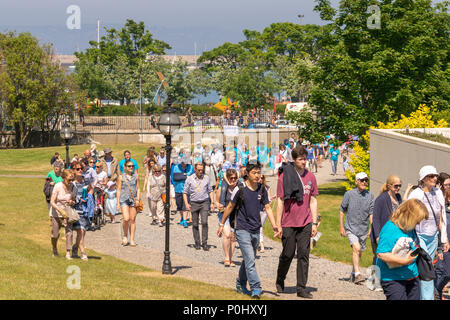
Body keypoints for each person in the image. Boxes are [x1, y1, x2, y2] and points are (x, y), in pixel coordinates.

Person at [217, 161, 280, 299]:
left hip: (256, 229)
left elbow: (268, 207)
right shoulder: (239, 189)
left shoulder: (262, 189)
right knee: (251, 259)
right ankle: (256, 288)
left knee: (248, 259)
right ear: (247, 174)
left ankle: (240, 283)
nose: (258, 175)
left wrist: (275, 225)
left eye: (259, 172)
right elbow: (229, 207)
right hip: (242, 228)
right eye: (254, 173)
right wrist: (222, 224)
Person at [275, 146, 319, 299]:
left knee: (304, 254)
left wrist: (314, 222)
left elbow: (313, 200)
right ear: (294, 160)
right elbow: (280, 201)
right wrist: (278, 224)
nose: (304, 162)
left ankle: (301, 288)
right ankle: (280, 279)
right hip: (288, 221)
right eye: (301, 159)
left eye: (305, 159)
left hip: (305, 221)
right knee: (287, 254)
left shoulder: (311, 177)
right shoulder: (284, 177)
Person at [407, 165, 448, 300]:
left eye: (435, 176)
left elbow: (441, 217)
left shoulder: (438, 192)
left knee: (426, 269)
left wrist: (445, 239)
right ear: (423, 179)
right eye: (431, 176)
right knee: (426, 269)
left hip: (433, 237)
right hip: (419, 236)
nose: (435, 178)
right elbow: (407, 214)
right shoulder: (416, 194)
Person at [376, 199, 429, 300]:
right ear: (409, 215)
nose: (418, 223)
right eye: (417, 219)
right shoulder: (390, 229)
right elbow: (381, 254)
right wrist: (404, 261)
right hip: (393, 278)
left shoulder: (410, 228)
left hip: (412, 276)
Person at [339, 172, 374, 284]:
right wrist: (341, 227)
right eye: (362, 180)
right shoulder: (349, 194)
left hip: (363, 229)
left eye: (366, 180)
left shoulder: (370, 196)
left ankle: (353, 274)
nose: (364, 182)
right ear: (356, 181)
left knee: (359, 252)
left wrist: (371, 228)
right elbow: (341, 210)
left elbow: (371, 213)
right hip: (351, 227)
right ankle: (358, 274)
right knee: (357, 248)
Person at [370, 175, 403, 266]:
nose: (398, 188)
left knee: (389, 259)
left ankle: (386, 279)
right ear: (389, 186)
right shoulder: (381, 199)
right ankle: (373, 279)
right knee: (378, 258)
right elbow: (375, 219)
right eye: (396, 186)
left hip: (392, 234)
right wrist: (377, 236)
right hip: (381, 234)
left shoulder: (398, 197)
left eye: (400, 185)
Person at [183, 162, 215, 250]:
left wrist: (212, 202)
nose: (201, 171)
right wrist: (186, 204)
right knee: (195, 224)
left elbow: (210, 190)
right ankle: (197, 242)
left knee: (204, 222)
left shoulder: (206, 178)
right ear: (195, 169)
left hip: (204, 202)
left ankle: (204, 243)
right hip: (194, 203)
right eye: (199, 170)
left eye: (202, 170)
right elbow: (185, 192)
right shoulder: (189, 179)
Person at [49, 170, 76, 260]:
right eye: (69, 180)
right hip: (56, 213)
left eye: (72, 179)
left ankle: (68, 253)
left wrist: (71, 201)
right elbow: (52, 202)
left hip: (68, 213)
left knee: (69, 233)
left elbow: (74, 199)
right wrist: (60, 210)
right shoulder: (58, 186)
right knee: (55, 234)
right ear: (63, 178)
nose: (71, 182)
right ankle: (54, 248)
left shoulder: (73, 187)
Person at [216, 169, 239, 267]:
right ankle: (226, 257)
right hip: (223, 214)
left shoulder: (239, 189)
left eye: (235, 178)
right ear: (227, 178)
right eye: (231, 178)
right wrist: (218, 205)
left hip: (235, 215)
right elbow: (216, 201)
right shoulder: (222, 189)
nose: (233, 180)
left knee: (233, 237)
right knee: (227, 234)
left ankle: (230, 258)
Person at [116, 160, 141, 247]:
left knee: (132, 219)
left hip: (133, 200)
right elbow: (118, 190)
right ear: (125, 167)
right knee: (126, 219)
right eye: (129, 166)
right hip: (124, 199)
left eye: (132, 166)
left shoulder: (136, 176)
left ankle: (132, 239)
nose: (131, 168)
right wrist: (117, 202)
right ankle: (125, 235)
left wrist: (138, 199)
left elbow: (138, 188)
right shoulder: (121, 177)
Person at [71, 161, 89, 261]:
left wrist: (89, 197)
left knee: (83, 232)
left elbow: (90, 189)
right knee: (80, 231)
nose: (80, 171)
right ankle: (83, 252)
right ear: (73, 170)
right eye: (77, 169)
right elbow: (70, 196)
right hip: (76, 210)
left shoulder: (85, 180)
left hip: (85, 210)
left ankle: (75, 247)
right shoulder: (72, 183)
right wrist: (78, 199)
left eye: (81, 169)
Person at [171, 157, 194, 228]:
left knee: (185, 205)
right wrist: (185, 176)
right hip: (178, 188)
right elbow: (175, 177)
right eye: (183, 162)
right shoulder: (176, 167)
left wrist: (181, 176)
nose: (184, 164)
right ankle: (182, 217)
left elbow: (191, 177)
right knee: (179, 206)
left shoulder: (190, 167)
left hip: (187, 190)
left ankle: (184, 221)